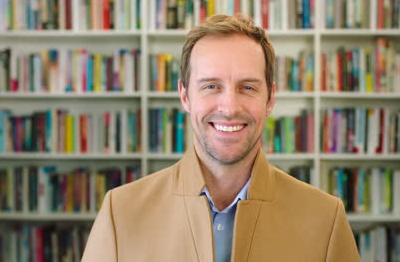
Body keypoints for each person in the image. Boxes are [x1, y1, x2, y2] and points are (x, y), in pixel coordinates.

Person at [82, 14, 360, 262]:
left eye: (247, 87)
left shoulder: (326, 218)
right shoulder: (120, 212)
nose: (229, 107)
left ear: (270, 98)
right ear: (184, 96)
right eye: (211, 86)